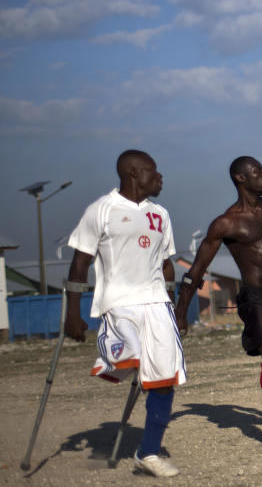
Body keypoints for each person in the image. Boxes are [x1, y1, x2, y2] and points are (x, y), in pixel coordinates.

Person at [64, 149, 184, 477]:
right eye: (152, 171)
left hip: (157, 305)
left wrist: (174, 305)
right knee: (129, 359)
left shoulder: (161, 214)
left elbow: (167, 263)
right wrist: (72, 314)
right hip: (119, 303)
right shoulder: (101, 211)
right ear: (133, 173)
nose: (159, 177)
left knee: (163, 381)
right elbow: (79, 263)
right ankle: (111, 357)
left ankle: (148, 453)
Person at [174, 156, 262, 447]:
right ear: (241, 178)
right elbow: (196, 270)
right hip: (254, 297)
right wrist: (180, 312)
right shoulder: (226, 223)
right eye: (258, 171)